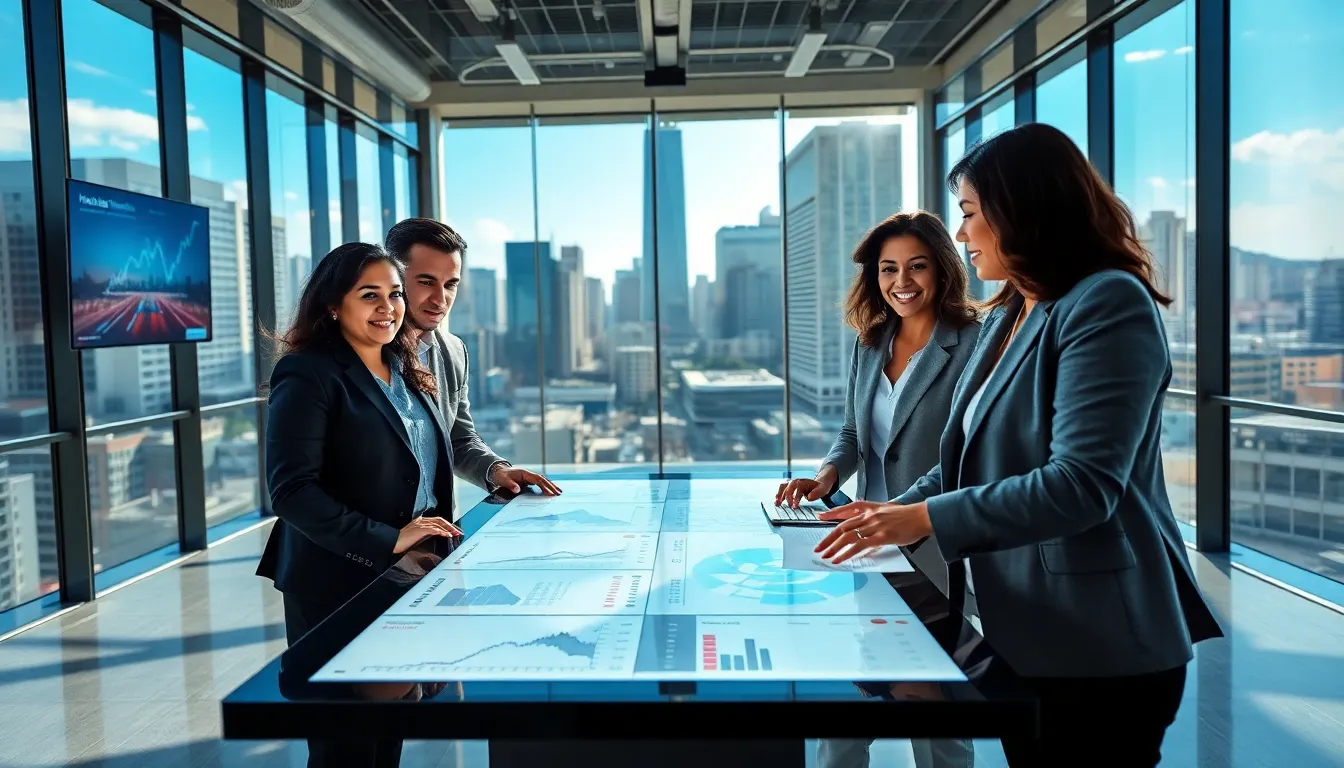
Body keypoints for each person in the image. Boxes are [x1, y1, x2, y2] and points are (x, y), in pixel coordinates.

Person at [814, 123, 1224, 766]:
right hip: (1027, 632)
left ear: (1021, 211)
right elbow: (960, 461)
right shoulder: (1011, 313)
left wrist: (918, 517)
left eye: (971, 214)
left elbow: (1083, 485)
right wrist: (884, 517)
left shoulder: (1107, 302)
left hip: (1100, 643)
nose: (960, 234)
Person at [775, 211, 979, 768]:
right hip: (865, 549)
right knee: (845, 706)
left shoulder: (972, 344)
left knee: (935, 721)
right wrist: (826, 476)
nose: (902, 282)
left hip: (933, 548)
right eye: (889, 269)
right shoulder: (870, 342)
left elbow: (964, 456)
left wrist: (898, 509)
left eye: (917, 266)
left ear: (943, 268)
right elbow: (852, 434)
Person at [257, 242, 462, 768]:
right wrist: (388, 538)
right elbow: (291, 491)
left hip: (404, 573)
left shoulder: (405, 367)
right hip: (336, 577)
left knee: (385, 736)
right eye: (369, 295)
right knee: (344, 745)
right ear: (332, 304)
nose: (388, 307)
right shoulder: (308, 373)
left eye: (394, 294)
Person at [385, 217, 561, 508]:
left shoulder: (453, 351)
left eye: (451, 284)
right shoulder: (356, 354)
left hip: (434, 537)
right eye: (427, 282)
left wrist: (496, 470)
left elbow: (458, 438)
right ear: (393, 279)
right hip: (363, 543)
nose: (440, 299)